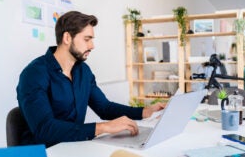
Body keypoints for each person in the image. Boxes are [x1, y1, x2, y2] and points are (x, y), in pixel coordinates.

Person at [16, 11, 165, 147]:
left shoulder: (83, 71)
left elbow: (105, 108)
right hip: (44, 152)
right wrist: (102, 127)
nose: (92, 45)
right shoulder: (34, 74)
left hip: (73, 146)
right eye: (87, 39)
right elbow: (45, 129)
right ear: (67, 38)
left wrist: (145, 112)